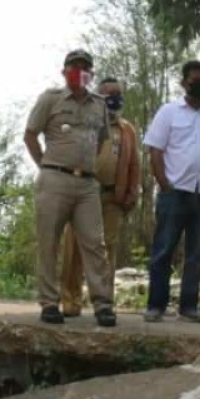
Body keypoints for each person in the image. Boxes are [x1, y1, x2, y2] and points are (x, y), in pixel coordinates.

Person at [23, 50, 116, 327]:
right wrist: (46, 165)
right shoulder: (50, 99)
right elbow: (30, 135)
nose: (80, 71)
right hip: (54, 179)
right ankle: (50, 303)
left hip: (87, 183)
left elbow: (101, 141)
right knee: (49, 242)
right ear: (64, 71)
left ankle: (103, 305)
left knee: (95, 243)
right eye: (74, 66)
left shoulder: (99, 104)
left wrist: (85, 165)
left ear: (92, 74)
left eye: (86, 67)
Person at [143, 61, 200, 323]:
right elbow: (155, 150)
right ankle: (156, 306)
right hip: (174, 192)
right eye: (195, 79)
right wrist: (164, 184)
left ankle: (188, 306)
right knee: (163, 250)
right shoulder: (169, 112)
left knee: (197, 253)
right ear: (184, 82)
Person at [60, 76, 140, 317]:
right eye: (109, 94)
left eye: (118, 93)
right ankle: (70, 301)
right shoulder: (84, 123)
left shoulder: (127, 130)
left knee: (108, 251)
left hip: (111, 197)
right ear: (98, 98)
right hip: (82, 193)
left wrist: (131, 193)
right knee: (74, 249)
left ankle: (104, 303)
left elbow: (134, 164)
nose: (115, 98)